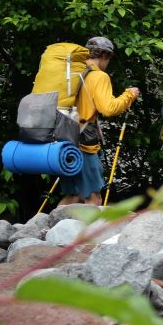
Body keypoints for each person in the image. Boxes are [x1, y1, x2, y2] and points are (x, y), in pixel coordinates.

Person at [58, 37, 140, 205]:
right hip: (84, 145)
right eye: (108, 58)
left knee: (72, 196)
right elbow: (109, 108)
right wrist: (129, 95)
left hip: (64, 140)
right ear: (104, 55)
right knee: (93, 198)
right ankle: (87, 231)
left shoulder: (73, 73)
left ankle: (51, 229)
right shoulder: (98, 76)